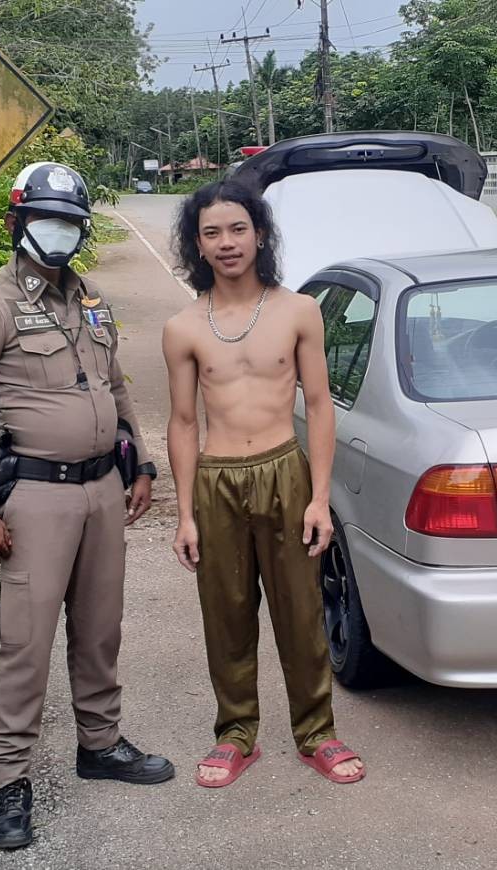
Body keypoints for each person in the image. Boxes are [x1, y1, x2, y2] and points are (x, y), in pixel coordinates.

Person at [0, 162, 174, 850]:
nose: (59, 233)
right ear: (16, 223)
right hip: (35, 496)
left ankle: (100, 743)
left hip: (101, 490)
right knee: (26, 645)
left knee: (100, 630)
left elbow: (115, 386)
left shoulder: (90, 298)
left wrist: (140, 462)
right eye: (46, 220)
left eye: (70, 223)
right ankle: (8, 783)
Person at [161, 181, 366, 788]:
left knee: (301, 612)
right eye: (212, 233)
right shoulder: (183, 327)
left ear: (259, 235)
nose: (227, 243)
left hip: (284, 471)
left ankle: (317, 733)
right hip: (217, 479)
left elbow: (321, 404)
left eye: (237, 229)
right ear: (197, 245)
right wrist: (185, 514)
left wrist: (320, 498)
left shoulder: (298, 311)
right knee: (226, 614)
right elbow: (182, 421)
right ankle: (235, 734)